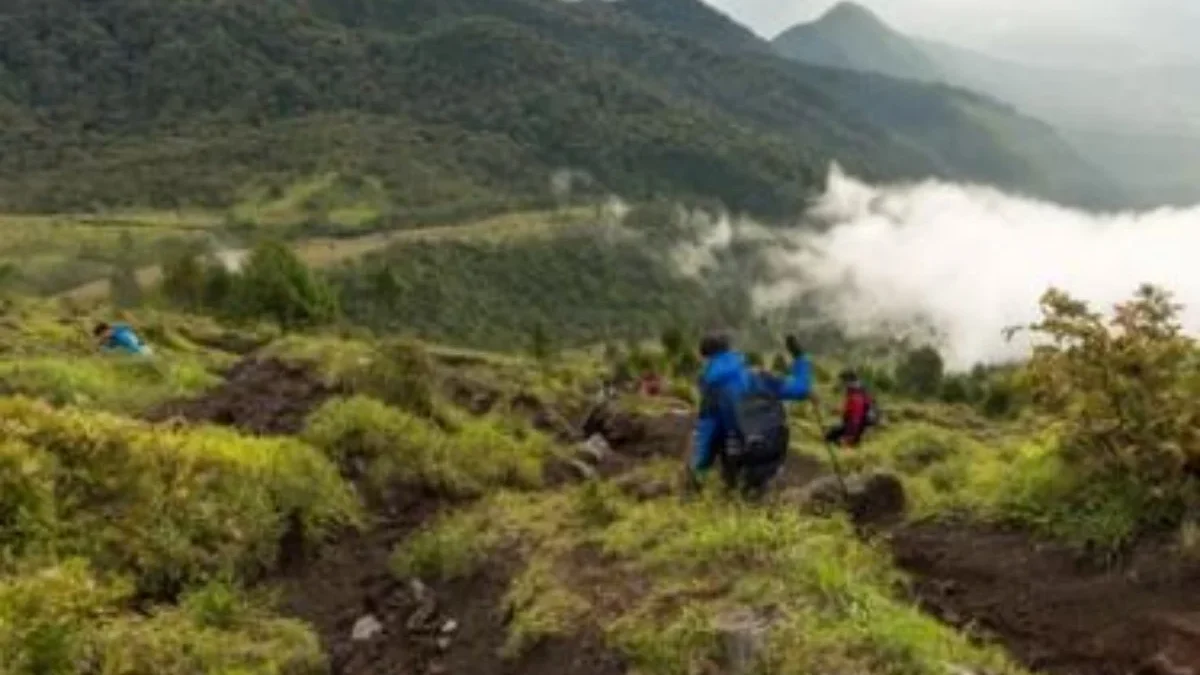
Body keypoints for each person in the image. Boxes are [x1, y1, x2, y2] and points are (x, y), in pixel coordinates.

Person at [688, 332, 812, 499]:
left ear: (705, 358)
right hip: (772, 452)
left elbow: (706, 436)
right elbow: (801, 389)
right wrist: (801, 358)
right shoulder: (759, 376)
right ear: (731, 351)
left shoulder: (712, 389)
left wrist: (697, 472)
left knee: (738, 496)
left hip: (739, 457)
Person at [824, 369, 875, 448]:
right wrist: (834, 410)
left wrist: (849, 437)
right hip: (854, 425)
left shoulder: (856, 395)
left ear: (848, 381)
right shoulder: (856, 392)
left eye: (842, 381)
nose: (841, 384)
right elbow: (847, 409)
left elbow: (856, 418)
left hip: (856, 429)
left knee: (831, 439)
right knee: (830, 435)